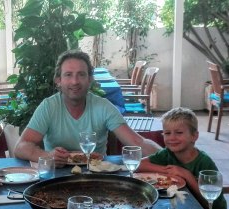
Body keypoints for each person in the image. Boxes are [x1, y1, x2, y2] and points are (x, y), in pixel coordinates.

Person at [13, 50, 161, 166]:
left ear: (90, 80)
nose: (75, 81)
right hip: (56, 175)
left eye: (81, 75)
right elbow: (21, 147)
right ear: (58, 80)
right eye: (68, 75)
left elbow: (137, 143)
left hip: (96, 176)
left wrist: (169, 157)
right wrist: (47, 156)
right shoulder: (49, 106)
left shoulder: (103, 106)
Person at [137, 107, 227, 209]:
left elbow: (210, 203)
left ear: (194, 136)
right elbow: (138, 164)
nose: (172, 138)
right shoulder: (167, 153)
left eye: (179, 133)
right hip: (183, 208)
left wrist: (186, 175)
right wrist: (167, 170)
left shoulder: (204, 162)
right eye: (167, 133)